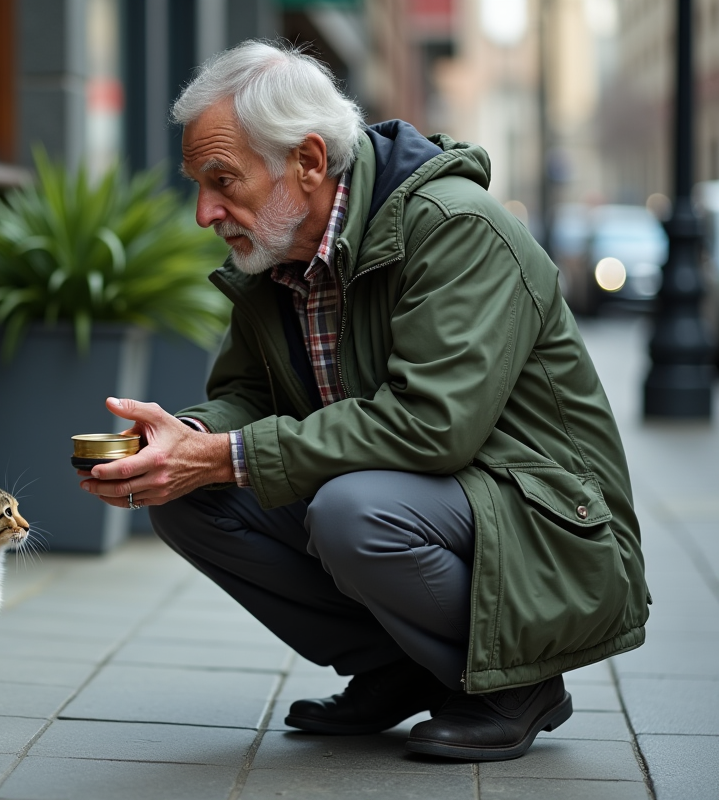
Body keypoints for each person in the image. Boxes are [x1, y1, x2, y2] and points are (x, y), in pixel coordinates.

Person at [77, 40, 649, 761]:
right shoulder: (276, 254)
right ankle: (398, 667)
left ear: (309, 163)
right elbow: (246, 397)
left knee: (353, 512)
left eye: (222, 180)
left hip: (557, 534)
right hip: (435, 500)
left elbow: (434, 426)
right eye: (198, 183)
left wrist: (227, 454)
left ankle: (519, 686)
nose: (203, 212)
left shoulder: (453, 226)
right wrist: (183, 440)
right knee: (187, 497)